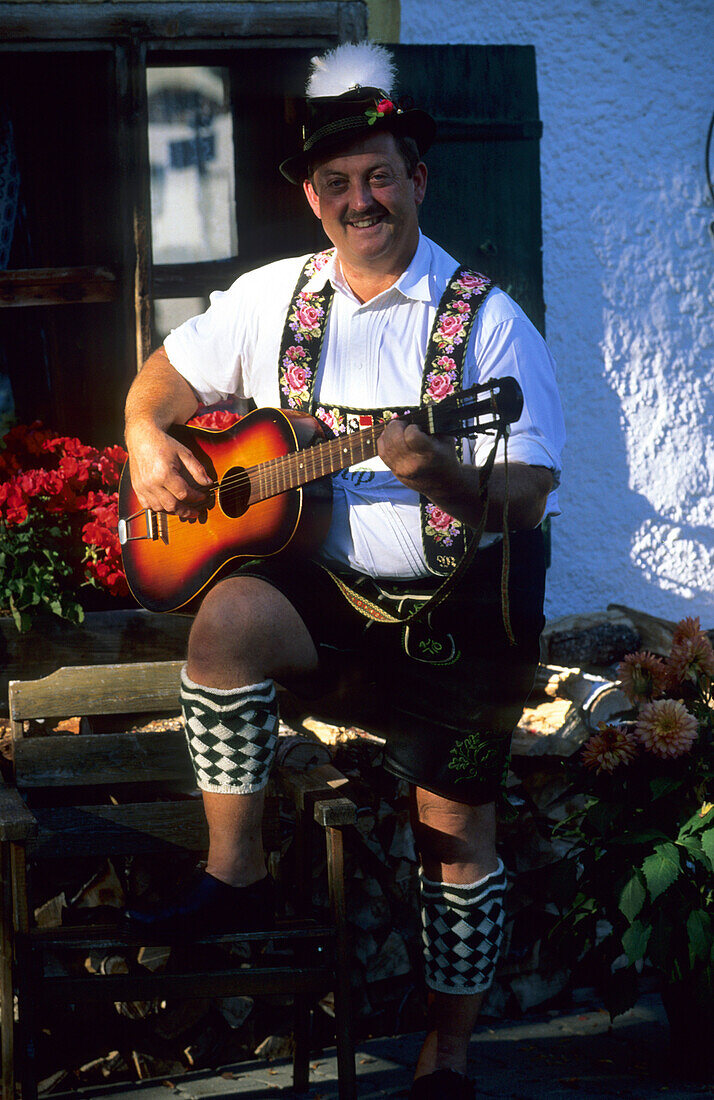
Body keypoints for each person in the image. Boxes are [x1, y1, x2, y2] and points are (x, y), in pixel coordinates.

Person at [123, 41, 565, 1100]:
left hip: (457, 607)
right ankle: (234, 868)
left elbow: (531, 489)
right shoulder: (275, 297)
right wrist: (145, 434)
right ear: (315, 201)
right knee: (226, 615)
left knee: (454, 835)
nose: (359, 199)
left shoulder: (487, 323)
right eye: (337, 184)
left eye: (378, 175)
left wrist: (443, 476)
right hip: (321, 600)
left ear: (419, 178)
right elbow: (161, 382)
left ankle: (446, 1050)